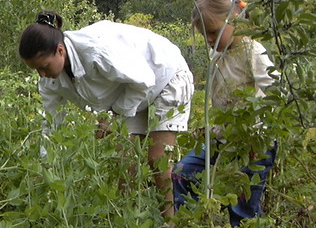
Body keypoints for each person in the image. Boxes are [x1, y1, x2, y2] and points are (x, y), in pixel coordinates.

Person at [19, 11, 194, 217]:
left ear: (60, 50)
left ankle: (170, 224)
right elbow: (51, 122)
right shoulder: (49, 81)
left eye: (44, 66)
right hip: (131, 90)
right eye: (36, 70)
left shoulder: (96, 51)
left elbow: (144, 79)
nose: (41, 74)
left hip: (164, 75)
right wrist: (46, 167)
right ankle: (125, 222)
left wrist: (113, 116)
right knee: (123, 159)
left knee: (157, 158)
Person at [172, 0, 277, 228]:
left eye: (213, 32)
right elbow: (222, 102)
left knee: (242, 209)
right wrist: (212, 128)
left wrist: (258, 137)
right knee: (182, 172)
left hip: (253, 144)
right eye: (204, 34)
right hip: (223, 140)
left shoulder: (252, 51)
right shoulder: (218, 57)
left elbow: (274, 91)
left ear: (234, 19)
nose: (209, 39)